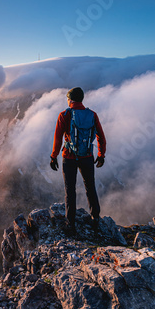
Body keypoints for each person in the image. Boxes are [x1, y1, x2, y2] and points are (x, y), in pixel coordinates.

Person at [50, 87, 106, 235]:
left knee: (70, 190)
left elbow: (58, 138)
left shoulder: (64, 115)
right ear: (81, 99)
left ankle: (71, 224)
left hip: (69, 158)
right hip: (87, 157)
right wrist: (101, 155)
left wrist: (53, 156)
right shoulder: (92, 115)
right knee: (90, 187)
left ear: (70, 100)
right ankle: (95, 218)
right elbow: (101, 136)